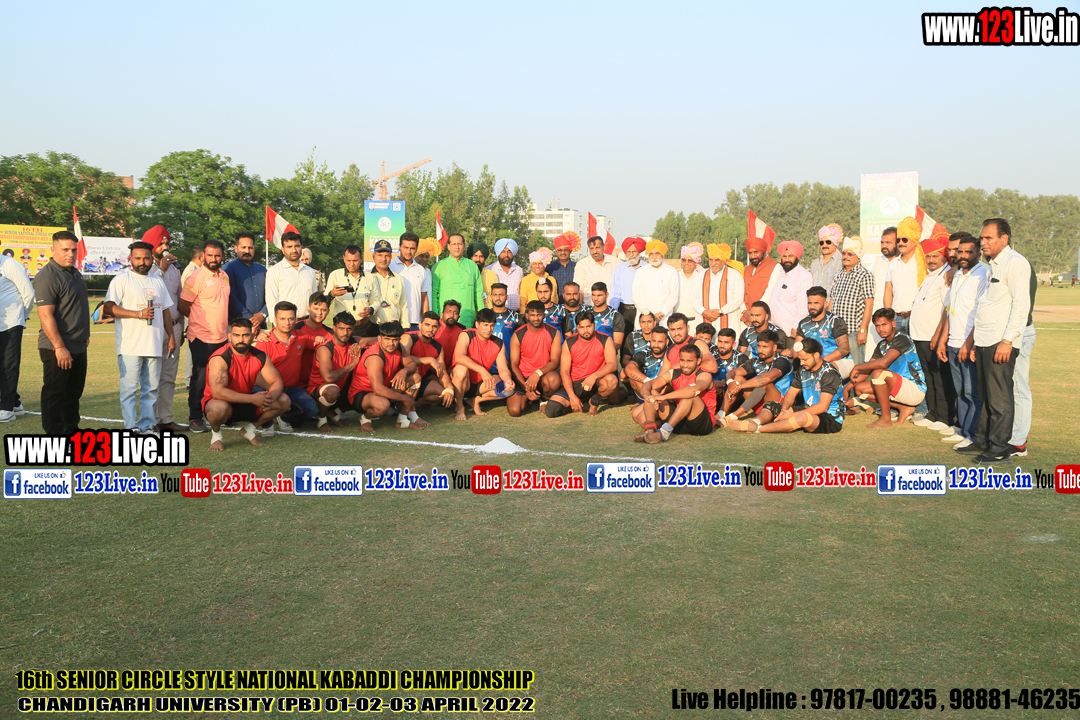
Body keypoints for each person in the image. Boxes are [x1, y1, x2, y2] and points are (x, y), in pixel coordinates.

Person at [960, 218, 1034, 463]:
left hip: (1000, 340)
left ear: (1004, 238)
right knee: (986, 395)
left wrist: (1008, 341)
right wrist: (976, 342)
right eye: (982, 238)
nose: (983, 242)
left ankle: (1000, 448)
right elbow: (988, 305)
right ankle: (982, 440)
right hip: (986, 339)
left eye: (988, 238)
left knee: (1000, 396)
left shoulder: (1015, 263)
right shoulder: (994, 264)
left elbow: (1021, 305)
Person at [104, 241, 176, 434]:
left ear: (152, 258)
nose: (142, 262)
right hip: (130, 346)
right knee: (129, 390)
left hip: (154, 345)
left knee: (151, 389)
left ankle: (148, 425)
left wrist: (171, 336)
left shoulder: (157, 281)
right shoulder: (121, 280)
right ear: (131, 259)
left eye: (146, 258)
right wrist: (138, 314)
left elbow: (166, 311)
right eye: (137, 258)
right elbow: (109, 307)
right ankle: (130, 427)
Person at [203, 318, 291, 451]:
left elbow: (276, 382)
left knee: (284, 400)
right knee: (218, 408)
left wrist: (270, 398)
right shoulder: (220, 358)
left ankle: (249, 430)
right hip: (222, 402)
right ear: (229, 336)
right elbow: (218, 392)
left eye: (245, 335)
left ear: (253, 336)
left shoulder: (260, 356)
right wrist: (252, 398)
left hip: (247, 400)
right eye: (236, 335)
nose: (241, 339)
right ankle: (216, 436)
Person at [33, 232, 90, 435]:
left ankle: (71, 432)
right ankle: (55, 436)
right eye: (65, 249)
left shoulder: (74, 272)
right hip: (56, 347)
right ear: (53, 250)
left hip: (78, 345)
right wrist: (59, 347)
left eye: (73, 250)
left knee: (73, 393)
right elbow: (45, 315)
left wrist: (84, 334)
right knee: (55, 393)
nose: (70, 254)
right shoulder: (47, 276)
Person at [935, 235, 988, 448]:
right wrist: (943, 340)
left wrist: (968, 343)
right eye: (960, 251)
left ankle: (973, 435)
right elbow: (951, 309)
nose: (963, 255)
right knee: (960, 391)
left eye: (969, 252)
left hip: (968, 343)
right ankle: (964, 430)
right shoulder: (958, 273)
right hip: (953, 342)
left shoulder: (983, 274)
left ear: (978, 254)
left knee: (971, 392)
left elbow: (981, 314)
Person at [731, 338, 844, 434]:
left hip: (830, 417)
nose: (801, 363)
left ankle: (758, 429)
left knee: (802, 417)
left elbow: (822, 407)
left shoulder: (829, 373)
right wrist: (784, 410)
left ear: (816, 355)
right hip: (808, 408)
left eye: (805, 359)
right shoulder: (803, 369)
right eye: (800, 359)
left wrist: (792, 415)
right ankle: (754, 422)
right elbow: (791, 393)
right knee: (773, 405)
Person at [179, 239, 230, 433]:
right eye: (210, 255)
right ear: (203, 256)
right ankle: (195, 418)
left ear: (222, 256)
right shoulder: (195, 277)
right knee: (200, 378)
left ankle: (219, 413)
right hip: (201, 338)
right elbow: (183, 306)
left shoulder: (224, 276)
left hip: (222, 337)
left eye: (217, 255)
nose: (213, 259)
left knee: (221, 378)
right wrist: (197, 321)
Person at [845, 308, 926, 429]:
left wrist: (857, 366)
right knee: (859, 389)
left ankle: (885, 419)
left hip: (914, 389)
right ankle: (903, 408)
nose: (881, 329)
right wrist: (847, 388)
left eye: (884, 324)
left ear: (893, 324)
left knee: (879, 373)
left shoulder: (902, 338)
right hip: (897, 388)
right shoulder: (882, 345)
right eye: (877, 326)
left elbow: (883, 363)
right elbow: (867, 370)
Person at [909, 228, 956, 433]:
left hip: (933, 337)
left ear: (944, 256)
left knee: (940, 377)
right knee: (928, 376)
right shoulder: (930, 275)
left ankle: (945, 416)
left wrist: (938, 335)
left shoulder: (946, 276)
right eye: (928, 256)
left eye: (935, 256)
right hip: (920, 336)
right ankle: (933, 413)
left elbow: (947, 309)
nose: (931, 260)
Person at [253, 301, 323, 431]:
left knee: (312, 409)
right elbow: (255, 373)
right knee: (258, 401)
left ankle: (281, 415)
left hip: (292, 389)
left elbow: (327, 341)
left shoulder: (300, 336)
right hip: (268, 388)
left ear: (296, 319)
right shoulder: (265, 341)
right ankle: (273, 412)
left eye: (291, 319)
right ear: (275, 319)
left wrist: (321, 339)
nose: (287, 322)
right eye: (283, 319)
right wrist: (273, 390)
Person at [144, 226, 186, 432]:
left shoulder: (175, 269)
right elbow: (150, 290)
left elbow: (179, 300)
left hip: (174, 329)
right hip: (153, 329)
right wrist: (161, 268)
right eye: (161, 243)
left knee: (169, 377)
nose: (165, 246)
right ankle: (150, 421)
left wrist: (182, 328)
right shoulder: (146, 269)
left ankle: (166, 419)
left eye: (167, 243)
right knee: (152, 376)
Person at [347, 322, 423, 433]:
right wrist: (404, 398)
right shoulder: (375, 357)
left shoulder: (399, 347)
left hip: (384, 389)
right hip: (362, 395)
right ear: (379, 338)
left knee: (415, 378)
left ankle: (402, 420)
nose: (391, 343)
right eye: (387, 339)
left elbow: (412, 364)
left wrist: (403, 371)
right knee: (383, 405)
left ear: (399, 340)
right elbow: (378, 390)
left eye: (395, 340)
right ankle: (365, 418)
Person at [633, 343, 716, 443]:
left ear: (698, 361)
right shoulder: (674, 372)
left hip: (701, 424)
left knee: (690, 397)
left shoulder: (705, 375)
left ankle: (663, 433)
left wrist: (663, 397)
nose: (685, 365)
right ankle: (650, 431)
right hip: (679, 421)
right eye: (682, 360)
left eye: (689, 361)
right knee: (652, 392)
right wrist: (647, 396)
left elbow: (692, 391)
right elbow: (648, 384)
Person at [546, 310, 623, 417]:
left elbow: (613, 364)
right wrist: (572, 396)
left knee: (611, 381)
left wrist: (594, 376)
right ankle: (579, 401)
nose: (585, 330)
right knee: (551, 410)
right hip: (577, 383)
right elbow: (565, 372)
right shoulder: (570, 341)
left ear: (594, 325)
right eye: (582, 327)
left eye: (588, 326)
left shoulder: (605, 339)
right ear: (577, 327)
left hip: (597, 380)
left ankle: (594, 402)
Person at [717, 330, 793, 428]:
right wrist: (730, 382)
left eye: (765, 347)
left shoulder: (782, 361)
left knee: (765, 383)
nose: (760, 350)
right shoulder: (755, 361)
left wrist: (739, 386)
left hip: (781, 406)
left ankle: (733, 416)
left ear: (774, 347)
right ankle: (721, 414)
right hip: (760, 403)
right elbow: (732, 373)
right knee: (737, 378)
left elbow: (766, 378)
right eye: (759, 346)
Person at [451, 307, 515, 419]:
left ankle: (475, 400)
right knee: (461, 370)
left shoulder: (498, 343)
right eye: (485, 325)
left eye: (491, 325)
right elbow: (459, 357)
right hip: (463, 381)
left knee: (508, 390)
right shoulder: (466, 335)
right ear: (477, 324)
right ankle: (460, 406)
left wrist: (508, 379)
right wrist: (482, 370)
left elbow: (503, 369)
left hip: (481, 384)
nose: (489, 329)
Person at [307, 312, 364, 432]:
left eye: (349, 329)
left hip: (340, 387)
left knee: (364, 386)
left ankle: (333, 412)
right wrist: (353, 363)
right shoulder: (325, 348)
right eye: (341, 328)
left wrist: (364, 343)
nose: (345, 333)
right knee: (332, 390)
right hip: (320, 390)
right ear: (334, 328)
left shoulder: (353, 341)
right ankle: (321, 419)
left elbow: (378, 340)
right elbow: (328, 378)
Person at [0, 235, 35, 422]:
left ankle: (6, 408)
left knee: (9, 365)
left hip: (11, 322)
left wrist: (23, 314)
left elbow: (28, 293)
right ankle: (14, 402)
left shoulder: (10, 265)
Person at [507, 300, 563, 417]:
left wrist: (537, 373)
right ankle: (529, 398)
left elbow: (555, 361)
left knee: (554, 379)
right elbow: (513, 365)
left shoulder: (554, 332)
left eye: (539, 315)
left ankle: (544, 399)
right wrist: (526, 388)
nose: (536, 318)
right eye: (532, 315)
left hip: (543, 376)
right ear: (526, 316)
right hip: (523, 379)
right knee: (514, 411)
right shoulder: (518, 334)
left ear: (544, 315)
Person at [828, 236, 874, 364]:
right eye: (844, 253)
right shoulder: (839, 274)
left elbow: (869, 305)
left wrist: (863, 330)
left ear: (858, 257)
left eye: (850, 254)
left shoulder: (865, 275)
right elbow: (832, 301)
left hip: (854, 331)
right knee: (837, 366)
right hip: (836, 332)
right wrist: (828, 325)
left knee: (856, 367)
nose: (845, 256)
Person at [794, 287, 852, 380]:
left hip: (840, 361)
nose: (812, 306)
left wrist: (820, 361)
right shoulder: (804, 323)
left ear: (825, 304)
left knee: (825, 370)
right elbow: (797, 347)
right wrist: (788, 352)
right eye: (810, 303)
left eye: (816, 303)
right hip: (813, 363)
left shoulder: (835, 321)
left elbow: (844, 348)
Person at [400, 311, 454, 409]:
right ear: (420, 325)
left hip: (421, 380)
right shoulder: (408, 337)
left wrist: (450, 389)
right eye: (427, 325)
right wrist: (430, 360)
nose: (430, 329)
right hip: (402, 380)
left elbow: (442, 371)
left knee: (443, 393)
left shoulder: (437, 347)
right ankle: (404, 404)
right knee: (414, 369)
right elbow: (403, 358)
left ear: (438, 328)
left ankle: (405, 404)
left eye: (434, 326)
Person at [431, 233, 484, 328]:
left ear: (464, 246)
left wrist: (482, 317)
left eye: (459, 244)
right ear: (448, 246)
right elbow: (434, 294)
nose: (457, 247)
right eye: (454, 244)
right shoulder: (439, 266)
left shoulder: (472, 266)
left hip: (468, 318)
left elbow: (478, 294)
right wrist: (435, 317)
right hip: (445, 321)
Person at [885, 216, 926, 334]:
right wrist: (888, 315)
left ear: (914, 241)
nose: (901, 243)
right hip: (896, 318)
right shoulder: (893, 263)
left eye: (904, 240)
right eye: (898, 240)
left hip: (916, 317)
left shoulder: (923, 262)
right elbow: (888, 290)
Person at [266, 232, 320, 322]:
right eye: (289, 247)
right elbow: (271, 300)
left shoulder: (309, 271)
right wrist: (277, 325)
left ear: (301, 247)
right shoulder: (275, 271)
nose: (294, 250)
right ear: (283, 249)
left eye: (297, 246)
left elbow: (314, 299)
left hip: (308, 321)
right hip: (285, 322)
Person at [358, 239, 407, 331]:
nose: (384, 259)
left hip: (394, 327)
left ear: (391, 257)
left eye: (387, 256)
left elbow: (403, 305)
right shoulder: (365, 277)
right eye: (380, 255)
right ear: (374, 256)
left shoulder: (398, 279)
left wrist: (406, 328)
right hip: (372, 327)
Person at [223, 231, 267, 330]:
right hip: (237, 326)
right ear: (236, 248)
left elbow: (271, 295)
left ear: (254, 249)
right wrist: (249, 318)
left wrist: (263, 313)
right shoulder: (228, 269)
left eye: (250, 248)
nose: (247, 251)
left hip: (261, 324)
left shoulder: (262, 270)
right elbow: (231, 297)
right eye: (243, 247)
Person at [770, 240, 814, 338]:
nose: (787, 259)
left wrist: (796, 328)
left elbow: (803, 307)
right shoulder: (781, 274)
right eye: (784, 256)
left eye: (791, 256)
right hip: (776, 331)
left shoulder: (803, 276)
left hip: (790, 332)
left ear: (797, 257)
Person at [632, 240, 680, 328]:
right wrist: (647, 314)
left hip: (664, 318)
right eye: (651, 254)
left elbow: (674, 296)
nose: (654, 257)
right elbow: (635, 295)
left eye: (657, 254)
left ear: (662, 255)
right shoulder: (641, 271)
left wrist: (661, 314)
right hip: (644, 317)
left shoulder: (671, 271)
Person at [389, 232, 432, 331]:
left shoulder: (421, 270)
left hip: (415, 322)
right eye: (406, 247)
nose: (408, 251)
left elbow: (424, 298)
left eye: (412, 248)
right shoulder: (390, 266)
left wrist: (426, 321)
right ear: (399, 247)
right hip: (394, 321)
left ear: (416, 249)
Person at [701, 243, 745, 338]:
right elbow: (694, 297)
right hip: (705, 317)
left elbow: (739, 298)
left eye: (717, 260)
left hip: (729, 319)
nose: (713, 263)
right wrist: (704, 311)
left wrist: (721, 311)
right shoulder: (701, 275)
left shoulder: (735, 275)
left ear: (724, 260)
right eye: (711, 260)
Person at [325, 245, 371, 335]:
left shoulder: (370, 277)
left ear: (361, 259)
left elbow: (376, 300)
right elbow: (324, 302)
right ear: (344, 258)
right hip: (342, 327)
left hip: (364, 326)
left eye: (355, 260)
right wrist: (332, 294)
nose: (352, 264)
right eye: (349, 260)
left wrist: (371, 309)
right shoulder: (335, 275)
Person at [624, 325, 671, 400]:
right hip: (647, 388)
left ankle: (652, 400)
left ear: (667, 342)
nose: (656, 345)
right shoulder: (644, 353)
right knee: (631, 376)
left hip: (663, 388)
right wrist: (649, 382)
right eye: (654, 341)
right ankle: (650, 399)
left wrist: (655, 385)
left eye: (660, 342)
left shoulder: (671, 354)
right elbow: (629, 368)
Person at [742, 234, 781, 324]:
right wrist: (744, 311)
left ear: (764, 251)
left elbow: (770, 292)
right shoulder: (748, 269)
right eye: (750, 253)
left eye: (756, 252)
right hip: (746, 317)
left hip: (764, 318)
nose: (753, 256)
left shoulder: (775, 266)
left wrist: (755, 313)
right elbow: (742, 292)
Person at [869, 227, 898, 347]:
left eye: (888, 242)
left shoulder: (902, 263)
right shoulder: (878, 262)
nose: (884, 246)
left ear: (897, 243)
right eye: (882, 242)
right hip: (877, 319)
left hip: (896, 319)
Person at [179, 245, 203, 389]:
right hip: (192, 313)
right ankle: (189, 379)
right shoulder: (192, 272)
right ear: (200, 257)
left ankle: (191, 378)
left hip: (193, 314)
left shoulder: (192, 269)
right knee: (192, 349)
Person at [611, 236, 645, 329]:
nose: (631, 255)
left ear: (639, 252)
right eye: (628, 252)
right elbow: (615, 292)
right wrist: (613, 313)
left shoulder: (647, 268)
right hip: (624, 310)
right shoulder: (619, 269)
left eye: (634, 251)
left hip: (642, 310)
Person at [573, 235, 618, 303]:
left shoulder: (615, 263)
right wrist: (580, 308)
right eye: (592, 248)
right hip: (590, 307)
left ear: (603, 247)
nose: (595, 251)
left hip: (612, 307)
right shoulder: (582, 264)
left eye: (597, 248)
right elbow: (579, 290)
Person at [586, 282, 626, 349]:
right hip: (586, 352)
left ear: (606, 295)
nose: (596, 298)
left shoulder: (615, 316)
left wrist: (599, 351)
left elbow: (617, 343)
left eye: (599, 295)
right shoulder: (585, 313)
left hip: (606, 353)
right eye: (593, 295)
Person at [487, 238, 523, 311]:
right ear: (498, 253)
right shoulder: (490, 270)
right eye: (503, 251)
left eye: (509, 251)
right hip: (496, 313)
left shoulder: (518, 270)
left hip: (516, 313)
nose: (506, 255)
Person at [674, 242, 706, 323]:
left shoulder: (701, 278)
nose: (686, 263)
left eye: (690, 260)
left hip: (696, 321)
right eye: (684, 260)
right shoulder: (675, 277)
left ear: (696, 262)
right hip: (677, 322)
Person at [433, 300, 467, 372]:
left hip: (454, 370)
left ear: (459, 317)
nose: (451, 315)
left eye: (455, 313)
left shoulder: (462, 330)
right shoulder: (434, 327)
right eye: (448, 312)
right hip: (435, 369)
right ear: (442, 314)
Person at [490, 283, 520, 357]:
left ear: (507, 297)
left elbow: (522, 341)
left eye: (501, 295)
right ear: (491, 297)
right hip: (487, 360)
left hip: (508, 360)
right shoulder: (484, 315)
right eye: (495, 295)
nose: (498, 298)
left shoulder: (516, 317)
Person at [810, 223, 843, 291]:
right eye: (821, 243)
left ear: (835, 243)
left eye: (828, 242)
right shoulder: (815, 263)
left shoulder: (842, 262)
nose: (824, 245)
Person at [468, 241, 500, 308]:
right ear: (470, 257)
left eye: (481, 256)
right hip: (470, 311)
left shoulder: (492, 275)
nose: (478, 259)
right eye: (475, 256)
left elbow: (496, 296)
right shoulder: (465, 273)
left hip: (488, 311)